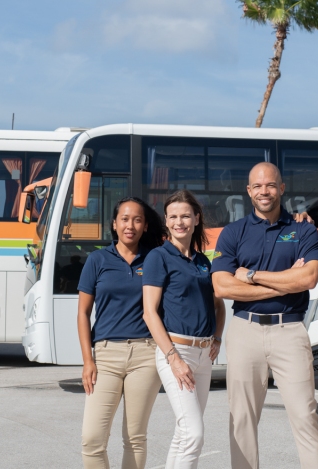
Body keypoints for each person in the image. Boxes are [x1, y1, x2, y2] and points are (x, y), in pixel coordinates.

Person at [211, 162, 318, 469]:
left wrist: (250, 276)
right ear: (249, 192)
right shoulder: (232, 233)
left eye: (271, 185)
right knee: (242, 419)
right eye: (258, 186)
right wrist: (283, 282)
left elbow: (308, 279)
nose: (265, 191)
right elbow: (223, 286)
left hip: (289, 331)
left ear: (282, 188)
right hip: (244, 331)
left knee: (305, 416)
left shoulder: (303, 229)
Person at [77, 197, 165, 469]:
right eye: (124, 219)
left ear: (145, 225)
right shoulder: (97, 259)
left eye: (137, 219)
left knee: (135, 438)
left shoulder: (155, 258)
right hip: (105, 356)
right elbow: (83, 313)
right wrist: (88, 361)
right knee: (92, 440)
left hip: (146, 355)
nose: (130, 225)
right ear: (114, 224)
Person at [142, 190, 226, 468]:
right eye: (174, 216)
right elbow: (150, 312)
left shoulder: (204, 262)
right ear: (166, 221)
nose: (180, 222)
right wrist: (173, 358)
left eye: (186, 216)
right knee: (194, 434)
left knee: (185, 433)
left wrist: (217, 337)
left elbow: (219, 306)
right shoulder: (158, 257)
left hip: (203, 356)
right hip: (177, 352)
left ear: (197, 219)